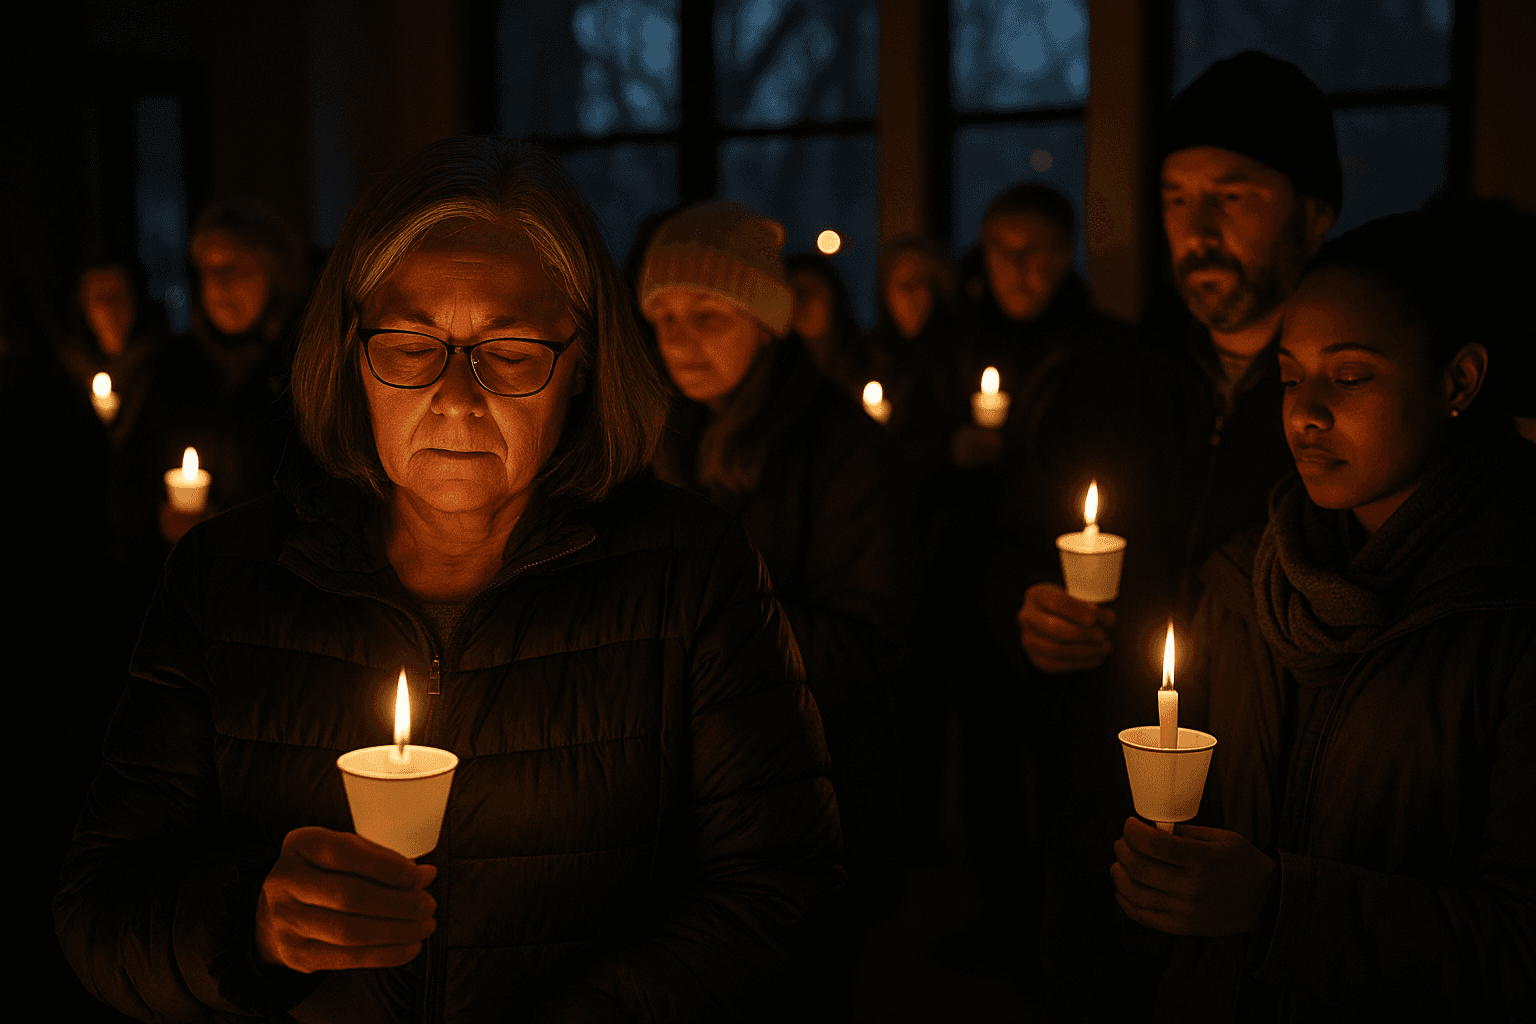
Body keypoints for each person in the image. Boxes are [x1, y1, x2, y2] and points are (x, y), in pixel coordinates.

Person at [55, 138, 843, 1023]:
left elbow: (782, 889)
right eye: (412, 344)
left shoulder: (693, 575)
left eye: (508, 352)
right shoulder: (225, 580)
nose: (457, 398)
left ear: (581, 361)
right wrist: (254, 925)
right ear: (353, 351)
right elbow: (98, 910)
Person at [1113, 210, 1535, 1021]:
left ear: (1458, 382)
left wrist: (1281, 908)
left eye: (1348, 377)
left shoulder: (1511, 610)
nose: (1303, 414)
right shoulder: (1249, 582)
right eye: (1288, 374)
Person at [1000, 52, 1342, 1012]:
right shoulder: (1107, 377)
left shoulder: (1353, 412)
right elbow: (1005, 546)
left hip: (1274, 846)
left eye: (1233, 195)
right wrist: (1024, 611)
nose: (1197, 228)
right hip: (1097, 835)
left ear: (1315, 212)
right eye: (1177, 196)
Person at [639, 200, 916, 1015]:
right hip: (685, 811)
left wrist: (698, 628)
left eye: (707, 314)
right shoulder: (658, 441)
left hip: (816, 810)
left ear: (766, 322)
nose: (680, 338)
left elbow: (870, 644)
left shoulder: (847, 453)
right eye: (661, 316)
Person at [786, 250, 866, 398]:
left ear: (833, 296)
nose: (797, 305)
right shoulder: (781, 375)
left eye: (804, 293)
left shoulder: (871, 363)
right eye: (789, 297)